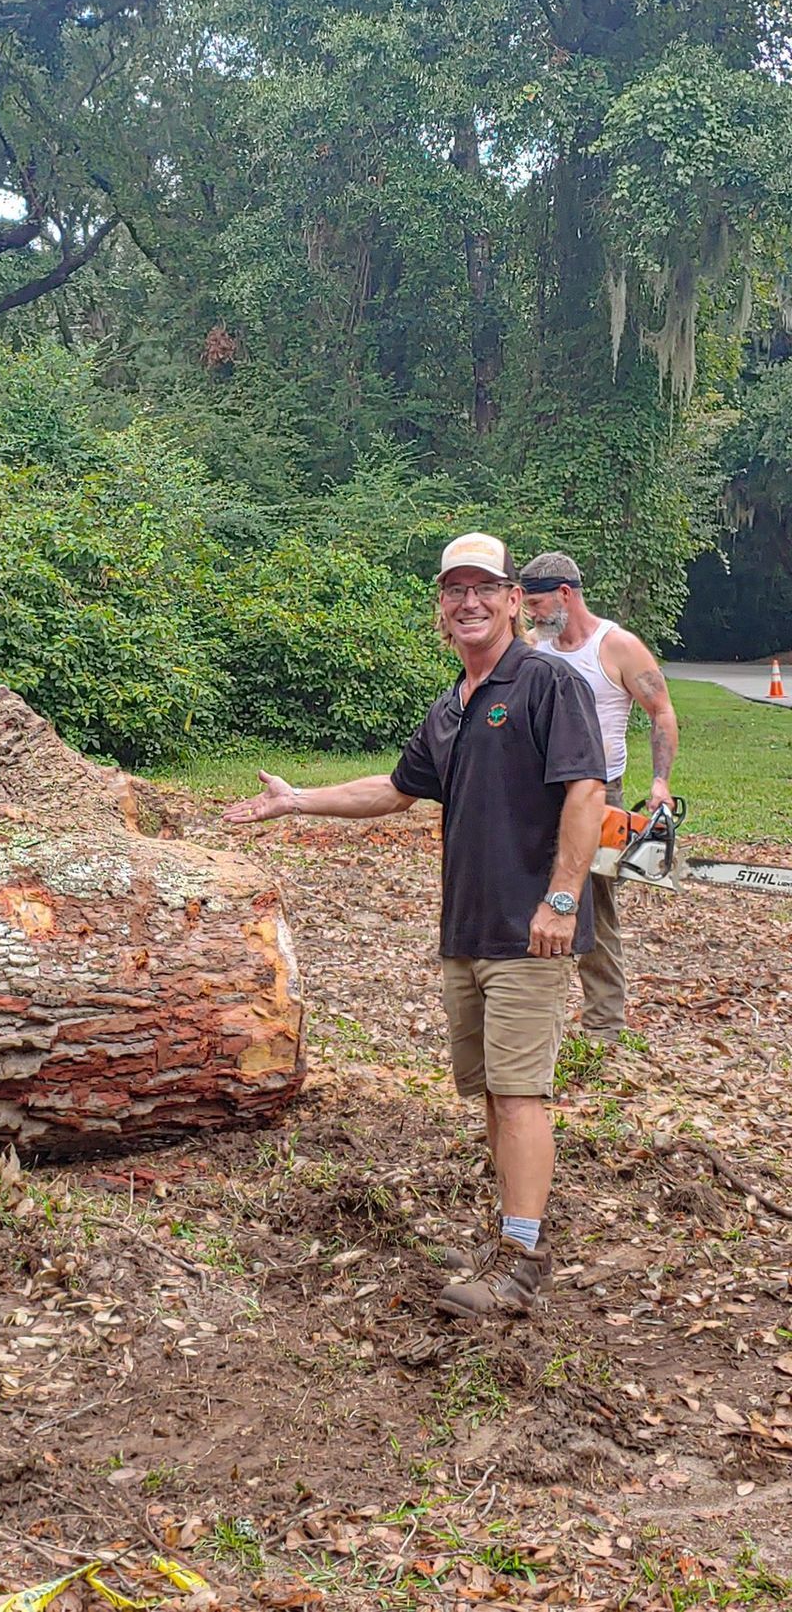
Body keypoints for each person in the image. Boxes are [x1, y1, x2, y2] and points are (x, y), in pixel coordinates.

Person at [222, 532, 606, 1320]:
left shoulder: (544, 684)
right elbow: (395, 790)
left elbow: (587, 792)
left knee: (520, 1092)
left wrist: (560, 900)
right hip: (467, 931)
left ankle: (522, 1263)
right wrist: (298, 800)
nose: (467, 601)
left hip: (531, 928)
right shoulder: (451, 706)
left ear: (509, 597)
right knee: (493, 1098)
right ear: (441, 605)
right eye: (452, 589)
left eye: (482, 587)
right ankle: (508, 1236)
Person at [518, 551, 679, 1043]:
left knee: (594, 908)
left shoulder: (618, 648)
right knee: (530, 900)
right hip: (535, 790)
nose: (533, 615)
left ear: (566, 594)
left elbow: (662, 712)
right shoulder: (534, 648)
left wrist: (659, 782)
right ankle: (532, 1022)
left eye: (539, 604)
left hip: (596, 792)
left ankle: (604, 1028)